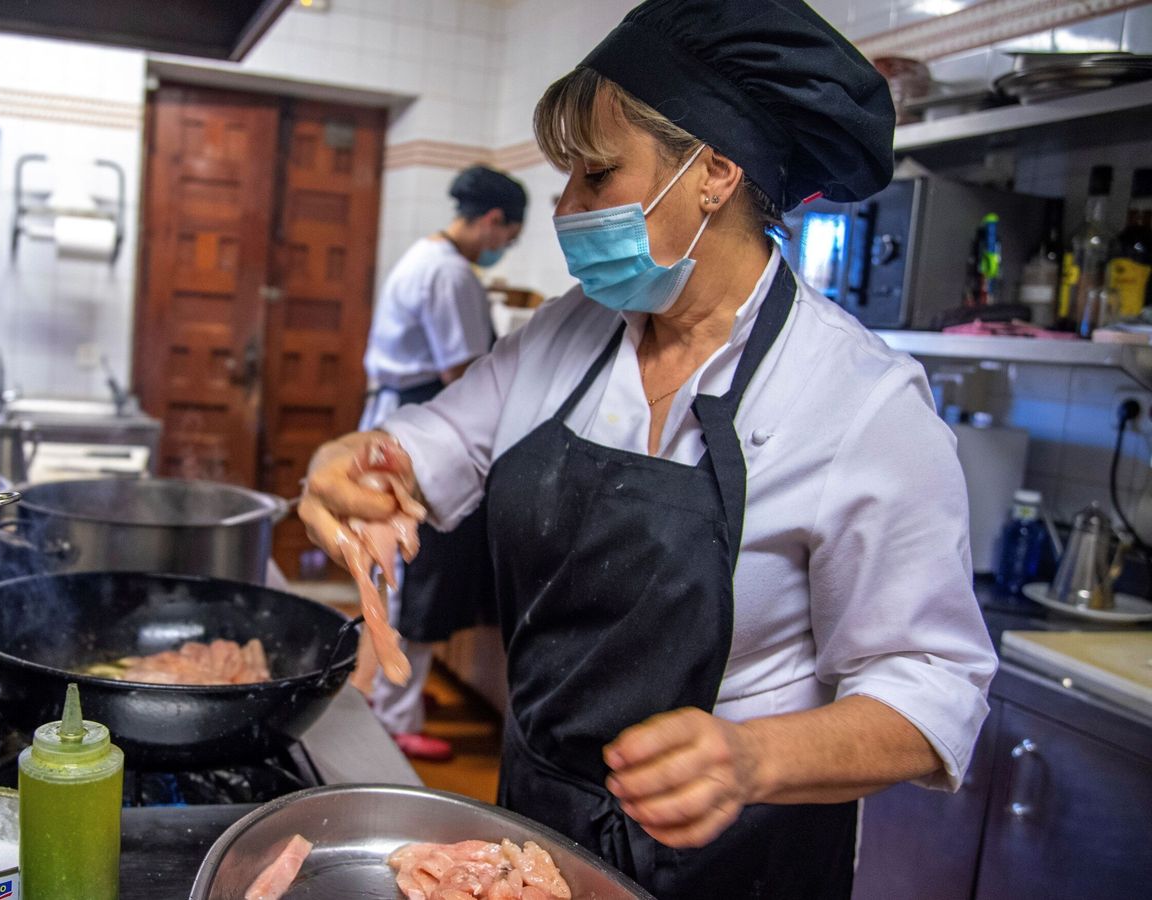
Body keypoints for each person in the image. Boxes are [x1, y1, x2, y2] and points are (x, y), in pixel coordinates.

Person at [298, 0, 998, 896]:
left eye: (595, 174)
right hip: (537, 827)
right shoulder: (565, 336)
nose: (565, 206)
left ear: (712, 171)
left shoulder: (861, 400)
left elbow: (935, 685)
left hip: (745, 856)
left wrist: (750, 757)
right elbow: (422, 445)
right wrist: (351, 463)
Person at [359, 165, 527, 761]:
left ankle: (387, 699)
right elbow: (464, 376)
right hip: (421, 424)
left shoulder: (423, 255)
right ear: (491, 221)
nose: (503, 247)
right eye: (508, 235)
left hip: (396, 419)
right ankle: (396, 715)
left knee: (397, 575)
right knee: (415, 580)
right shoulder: (451, 273)